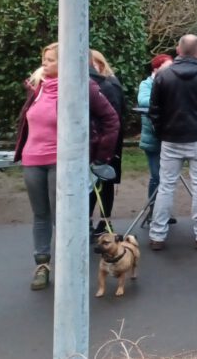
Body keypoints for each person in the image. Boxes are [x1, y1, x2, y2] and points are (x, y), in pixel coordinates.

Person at [13, 42, 120, 290]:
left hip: (61, 163)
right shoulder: (37, 89)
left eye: (50, 60)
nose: (44, 64)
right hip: (33, 160)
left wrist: (100, 157)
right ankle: (42, 265)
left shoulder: (83, 88)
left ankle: (69, 267)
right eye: (44, 59)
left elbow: (111, 119)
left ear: (65, 63)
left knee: (63, 217)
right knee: (40, 215)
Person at [148, 34, 197, 251]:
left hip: (171, 138)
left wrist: (162, 131)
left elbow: (155, 110)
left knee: (166, 185)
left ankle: (157, 234)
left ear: (178, 49)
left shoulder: (163, 75)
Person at [88, 49, 126, 236]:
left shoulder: (110, 86)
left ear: (100, 65)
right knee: (92, 185)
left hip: (107, 145)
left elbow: (114, 118)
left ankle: (104, 223)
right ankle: (89, 221)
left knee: (104, 183)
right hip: (98, 143)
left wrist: (107, 146)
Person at [138, 54, 174, 226]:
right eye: (166, 67)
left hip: (170, 136)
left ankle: (165, 211)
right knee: (156, 176)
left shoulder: (171, 83)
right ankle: (153, 210)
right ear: (156, 69)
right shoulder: (146, 84)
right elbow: (143, 100)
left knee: (168, 177)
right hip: (152, 138)